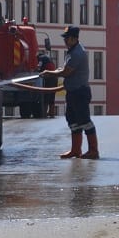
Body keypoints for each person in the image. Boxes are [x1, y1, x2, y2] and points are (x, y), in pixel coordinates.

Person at [41, 26, 99, 159]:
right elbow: (64, 68)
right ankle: (75, 150)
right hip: (73, 92)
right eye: (65, 38)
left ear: (74, 38)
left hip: (80, 92)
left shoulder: (78, 53)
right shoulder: (71, 52)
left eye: (67, 38)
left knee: (84, 121)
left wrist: (49, 73)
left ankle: (93, 150)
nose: (65, 41)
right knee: (73, 121)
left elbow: (67, 72)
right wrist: (51, 72)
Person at [37, 52, 58, 117]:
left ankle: (44, 113)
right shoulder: (48, 58)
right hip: (55, 77)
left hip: (49, 77)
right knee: (52, 95)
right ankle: (52, 113)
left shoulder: (40, 58)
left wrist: (36, 71)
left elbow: (39, 67)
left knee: (46, 94)